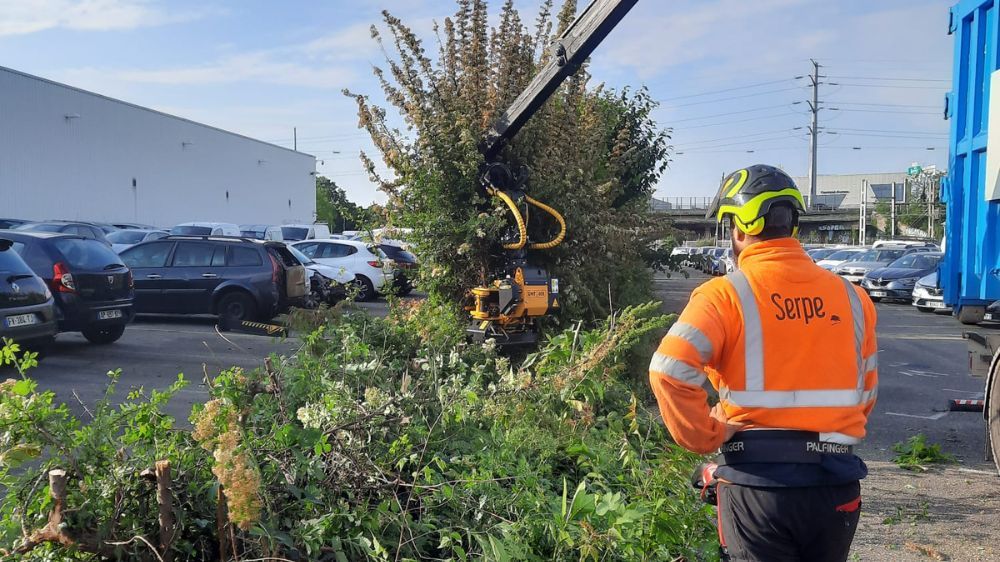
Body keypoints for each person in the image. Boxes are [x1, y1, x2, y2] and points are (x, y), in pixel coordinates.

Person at [649, 165, 878, 562]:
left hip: (758, 488)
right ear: (794, 226)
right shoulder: (853, 298)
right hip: (836, 484)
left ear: (738, 229)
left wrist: (706, 435)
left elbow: (669, 370)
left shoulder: (723, 295)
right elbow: (866, 392)